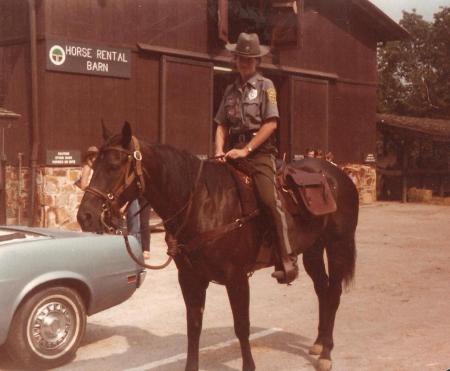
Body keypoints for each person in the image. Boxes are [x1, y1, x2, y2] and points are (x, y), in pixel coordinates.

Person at [214, 32, 299, 284]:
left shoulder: (267, 87)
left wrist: (247, 150)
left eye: (250, 60)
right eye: (241, 58)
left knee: (268, 198)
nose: (245, 63)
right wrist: (219, 150)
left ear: (257, 62)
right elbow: (220, 124)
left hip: (259, 152)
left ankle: (287, 257)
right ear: (236, 59)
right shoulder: (230, 90)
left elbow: (271, 124)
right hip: (233, 152)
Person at [75, 146, 150, 259]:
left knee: (134, 224)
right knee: (113, 225)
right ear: (89, 157)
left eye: (96, 155)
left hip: (120, 196)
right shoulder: (90, 167)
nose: (95, 158)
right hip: (104, 198)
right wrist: (94, 190)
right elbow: (84, 185)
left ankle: (137, 250)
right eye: (93, 156)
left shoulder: (103, 167)